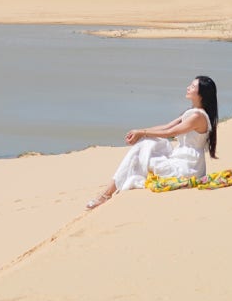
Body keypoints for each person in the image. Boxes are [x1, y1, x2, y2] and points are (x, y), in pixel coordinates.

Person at [86, 75, 218, 209]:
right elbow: (167, 126)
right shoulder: (192, 112)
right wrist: (141, 131)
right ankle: (110, 190)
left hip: (188, 168)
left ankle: (106, 193)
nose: (188, 88)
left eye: (193, 86)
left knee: (140, 150)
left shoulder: (197, 116)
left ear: (202, 94)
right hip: (180, 159)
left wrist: (142, 133)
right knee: (148, 142)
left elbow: (170, 133)